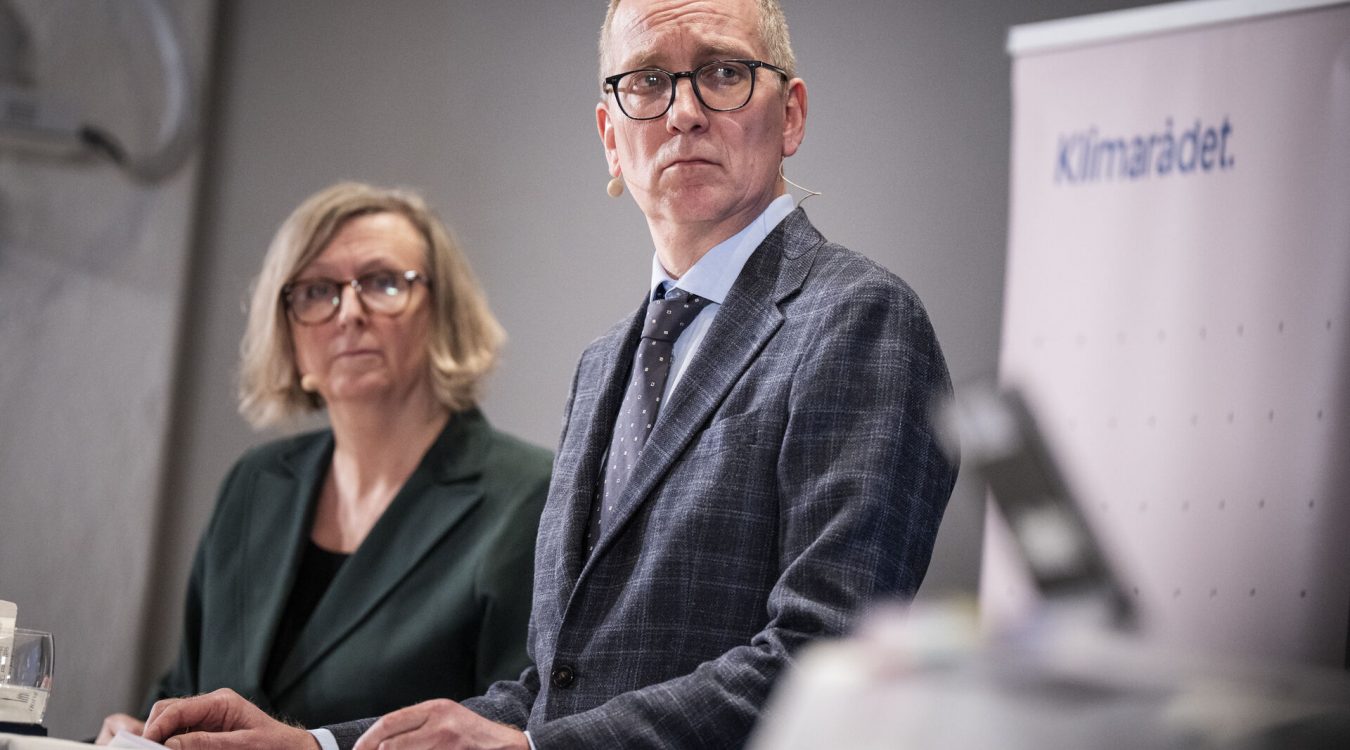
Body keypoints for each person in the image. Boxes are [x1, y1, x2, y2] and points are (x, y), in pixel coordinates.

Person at [140, 1, 957, 748]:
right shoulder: (604, 364)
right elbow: (550, 688)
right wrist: (317, 746)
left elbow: (826, 663)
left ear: (792, 114)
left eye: (723, 72)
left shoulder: (860, 319)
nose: (683, 111)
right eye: (648, 81)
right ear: (611, 137)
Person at [96, 182, 551, 740]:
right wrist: (144, 730)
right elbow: (188, 683)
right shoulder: (256, 483)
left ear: (443, 313)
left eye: (383, 283)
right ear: (288, 330)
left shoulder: (528, 496)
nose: (349, 313)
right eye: (316, 291)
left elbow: (515, 724)